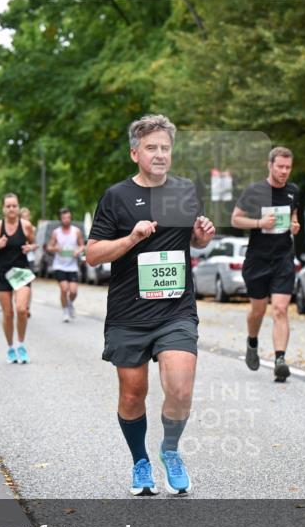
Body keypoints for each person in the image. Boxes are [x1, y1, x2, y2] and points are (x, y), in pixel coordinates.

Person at [86, 114, 216, 497]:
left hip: (175, 310)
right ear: (135, 153)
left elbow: (193, 241)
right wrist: (130, 238)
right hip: (129, 313)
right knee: (132, 394)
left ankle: (170, 451)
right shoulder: (116, 197)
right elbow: (93, 254)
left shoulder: (185, 190)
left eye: (165, 148)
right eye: (152, 148)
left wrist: (201, 237)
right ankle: (140, 461)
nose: (160, 155)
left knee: (180, 388)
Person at [231, 147, 302, 381]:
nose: (284, 171)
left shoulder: (293, 192)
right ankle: (252, 342)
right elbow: (235, 219)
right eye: (280, 167)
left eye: (288, 167)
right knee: (258, 310)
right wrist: (259, 222)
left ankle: (280, 359)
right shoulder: (254, 191)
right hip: (258, 259)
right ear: (269, 165)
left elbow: (294, 218)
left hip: (283, 258)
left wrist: (294, 225)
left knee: (280, 309)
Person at [0, 194, 40, 362]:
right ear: (3, 209)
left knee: (21, 309)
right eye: (8, 206)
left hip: (21, 271)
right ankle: (10, 348)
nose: (12, 209)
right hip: (2, 273)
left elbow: (34, 244)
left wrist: (30, 247)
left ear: (18, 207)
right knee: (8, 314)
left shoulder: (26, 226)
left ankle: (21, 345)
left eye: (14, 206)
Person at [46, 207, 85, 322]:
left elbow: (82, 245)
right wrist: (55, 248)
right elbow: (49, 247)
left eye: (68, 217)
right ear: (60, 219)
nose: (66, 220)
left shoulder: (76, 231)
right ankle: (65, 312)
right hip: (59, 265)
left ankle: (70, 303)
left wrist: (78, 251)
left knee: (73, 291)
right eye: (64, 218)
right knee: (64, 289)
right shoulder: (56, 232)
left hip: (72, 266)